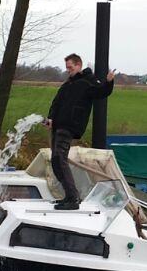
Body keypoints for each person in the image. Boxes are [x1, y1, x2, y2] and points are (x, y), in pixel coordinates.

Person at [44, 53, 116, 210]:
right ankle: (69, 196)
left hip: (69, 126)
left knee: (60, 159)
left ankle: (73, 198)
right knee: (56, 161)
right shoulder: (67, 85)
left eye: (70, 67)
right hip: (58, 126)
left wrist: (109, 82)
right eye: (67, 68)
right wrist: (50, 118)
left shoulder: (87, 82)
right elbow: (56, 104)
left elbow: (101, 92)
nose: (68, 70)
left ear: (78, 65)